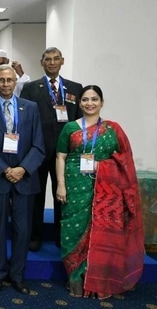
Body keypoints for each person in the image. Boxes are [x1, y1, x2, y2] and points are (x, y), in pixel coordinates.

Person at [55, 85, 144, 299]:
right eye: (85, 99)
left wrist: (103, 167)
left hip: (106, 190)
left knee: (102, 231)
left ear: (101, 103)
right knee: (72, 231)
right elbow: (61, 156)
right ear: (79, 103)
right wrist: (60, 184)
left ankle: (99, 280)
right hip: (75, 185)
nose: (89, 103)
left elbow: (124, 161)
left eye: (94, 99)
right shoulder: (70, 128)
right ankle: (76, 279)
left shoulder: (113, 129)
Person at [0, 65, 44, 294]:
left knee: (22, 229)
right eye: (1, 80)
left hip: (24, 177)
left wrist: (22, 169)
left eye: (9, 80)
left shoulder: (30, 108)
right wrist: (5, 169)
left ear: (16, 82)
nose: (5, 84)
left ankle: (17, 276)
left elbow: (38, 145)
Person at [20, 47, 83, 251]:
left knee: (63, 196)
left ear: (62, 61)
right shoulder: (31, 88)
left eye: (56, 59)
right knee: (35, 197)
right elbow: (26, 121)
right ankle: (35, 236)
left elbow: (79, 121)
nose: (52, 62)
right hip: (38, 151)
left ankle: (62, 235)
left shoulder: (75, 88)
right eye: (48, 59)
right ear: (42, 62)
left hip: (65, 154)